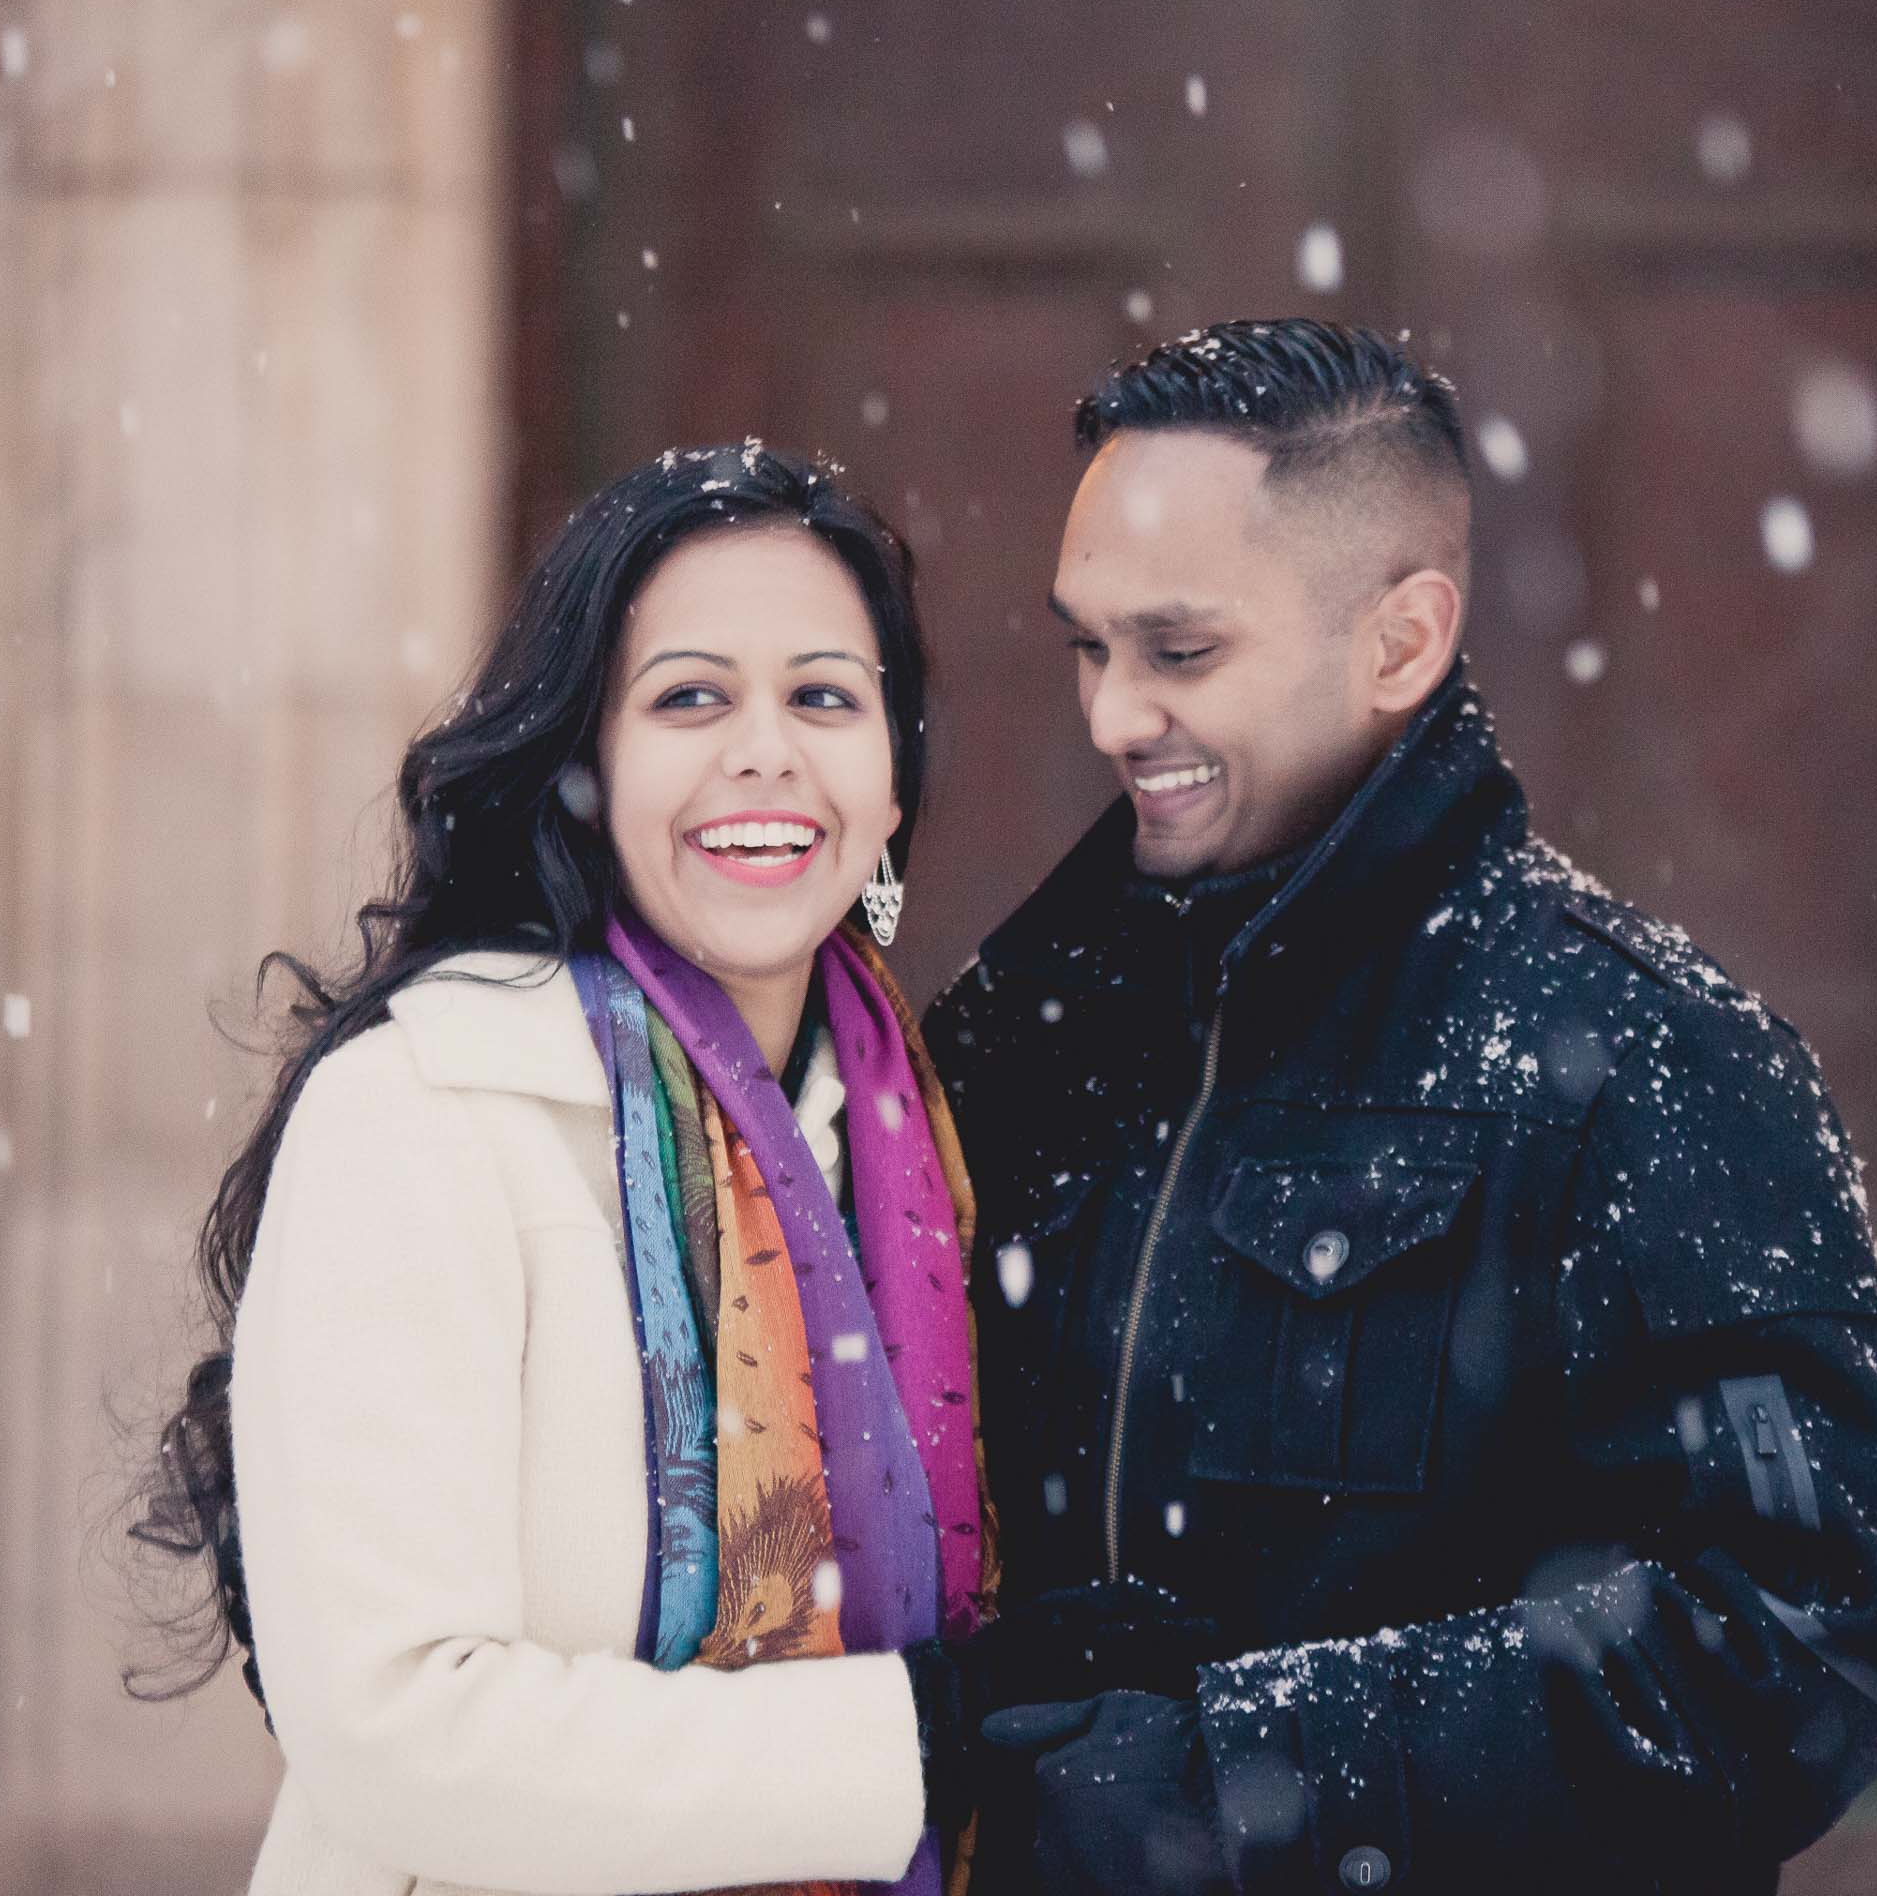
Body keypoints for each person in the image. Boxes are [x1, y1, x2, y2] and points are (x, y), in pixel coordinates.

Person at [927, 322, 1877, 1893]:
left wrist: (1232, 1782)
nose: (1115, 715)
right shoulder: (1023, 1038)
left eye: (1179, 652)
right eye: (1087, 647)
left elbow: (1804, 1636)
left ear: (1400, 643)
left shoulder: (1651, 1057)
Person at [132, 445, 1210, 1896]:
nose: (764, 750)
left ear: (892, 789)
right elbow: (393, 1735)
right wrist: (922, 1735)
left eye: (824, 697)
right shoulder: (425, 1112)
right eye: (690, 697)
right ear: (586, 769)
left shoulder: (934, 1148)